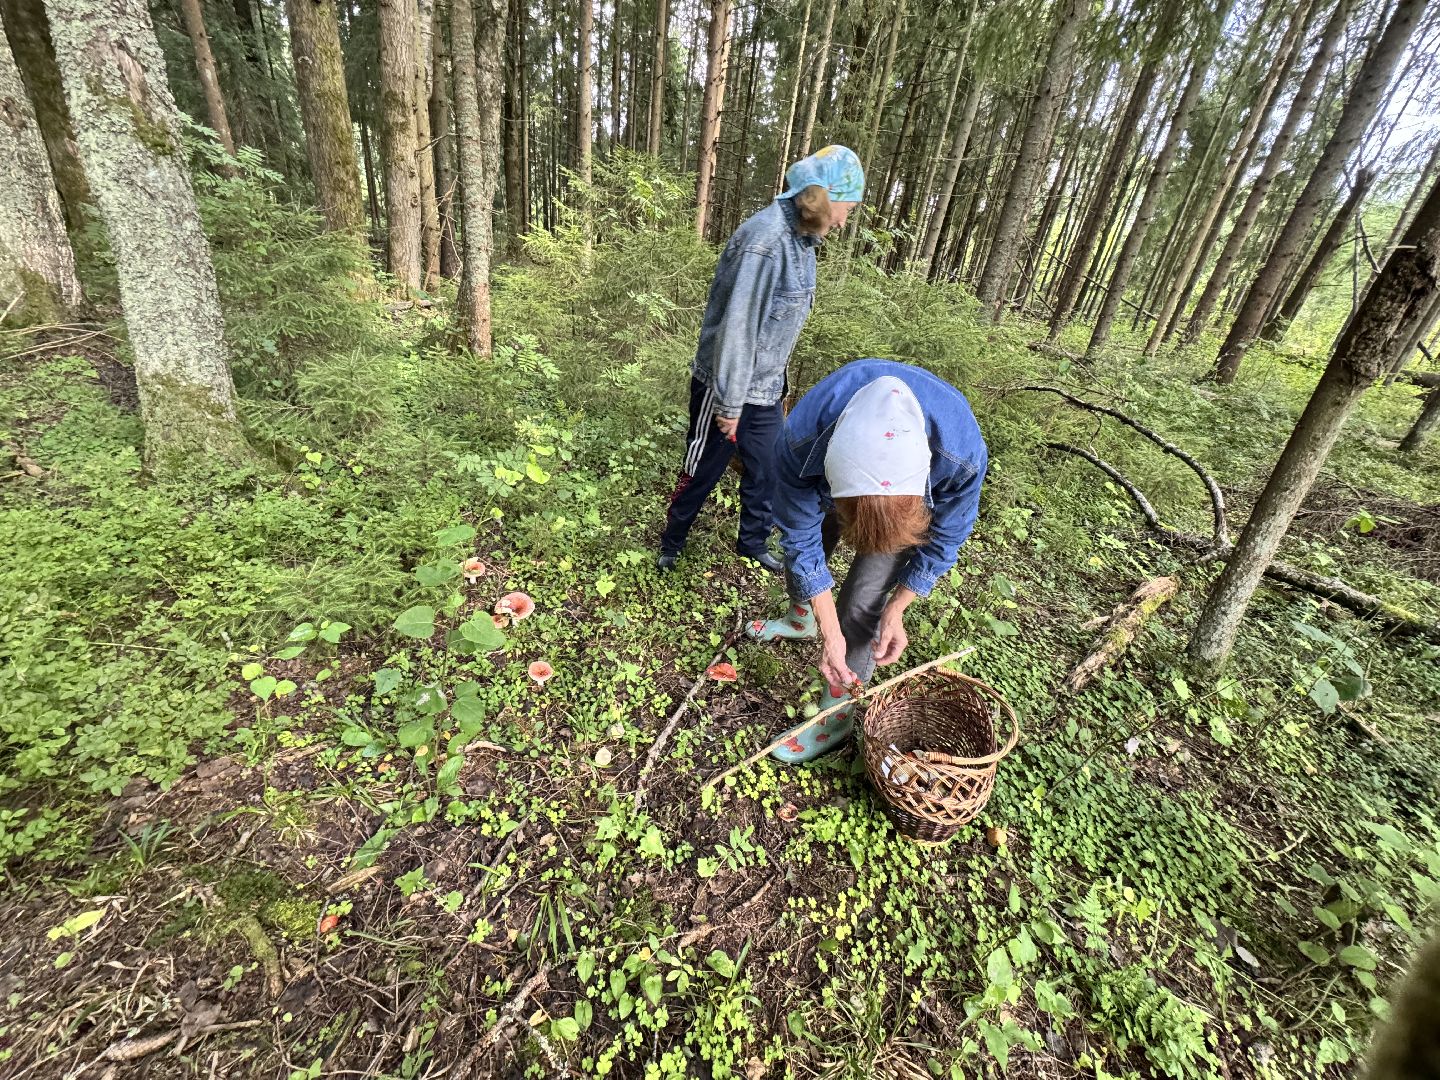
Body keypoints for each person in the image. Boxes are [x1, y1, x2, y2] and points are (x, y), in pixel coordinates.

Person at [746, 359, 988, 762]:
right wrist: (827, 627)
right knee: (809, 546)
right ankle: (800, 618)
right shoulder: (802, 439)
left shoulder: (959, 455)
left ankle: (836, 717)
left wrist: (897, 607)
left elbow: (948, 535)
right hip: (825, 470)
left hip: (916, 487)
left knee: (862, 600)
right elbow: (798, 534)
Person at [657, 146, 866, 574]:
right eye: (845, 208)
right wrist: (730, 405)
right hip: (726, 387)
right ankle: (671, 543)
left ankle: (751, 543)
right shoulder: (765, 243)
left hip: (766, 389)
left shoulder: (803, 242)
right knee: (702, 470)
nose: (845, 220)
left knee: (769, 469)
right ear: (823, 197)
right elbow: (739, 329)